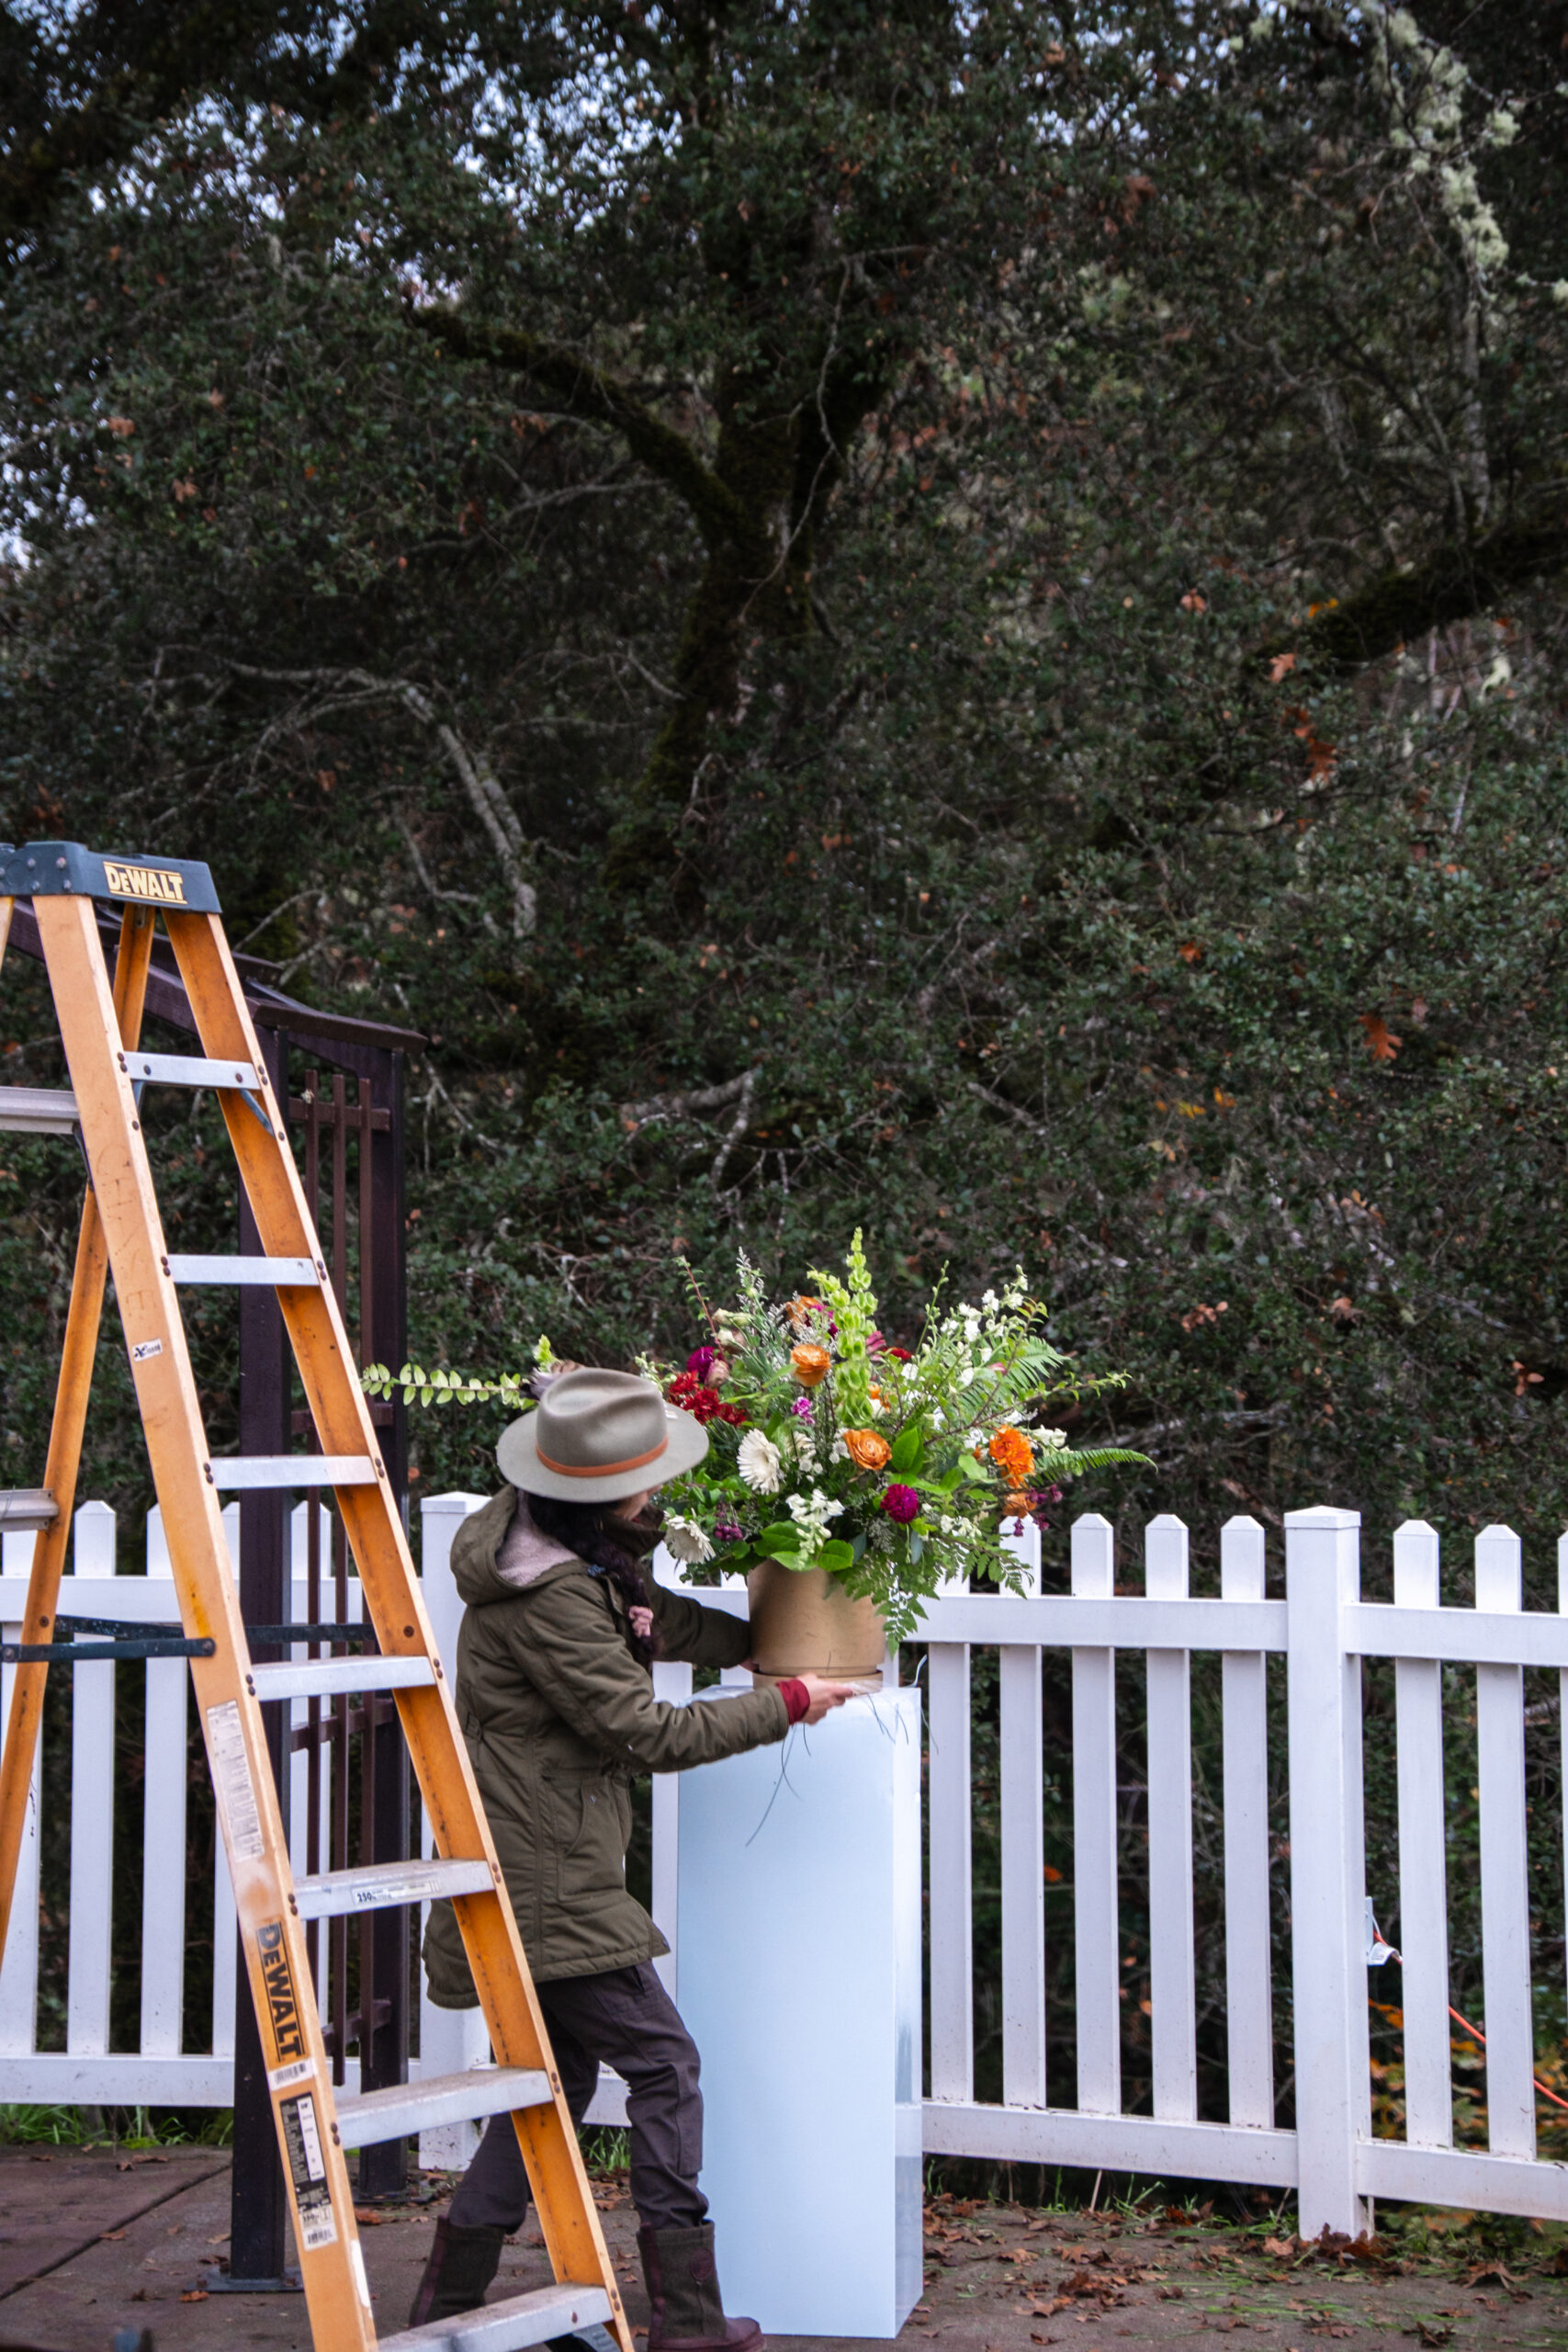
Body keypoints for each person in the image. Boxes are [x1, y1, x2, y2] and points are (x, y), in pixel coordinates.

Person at [409, 1365, 859, 2348]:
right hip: (542, 1879)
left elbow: (651, 1616)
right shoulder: (547, 1596)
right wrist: (785, 1702)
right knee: (664, 2064)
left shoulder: (566, 1548)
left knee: (557, 2086)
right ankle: (687, 2319)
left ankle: (445, 2305)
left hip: (541, 1858)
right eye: (643, 1477)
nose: (657, 1487)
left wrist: (764, 1640)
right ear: (600, 1493)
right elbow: (645, 1731)